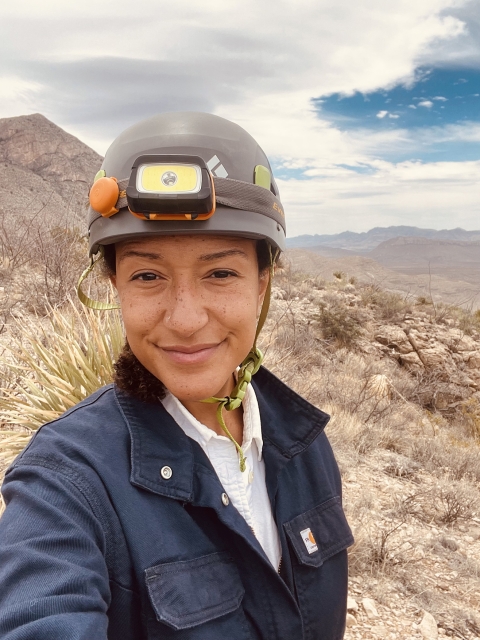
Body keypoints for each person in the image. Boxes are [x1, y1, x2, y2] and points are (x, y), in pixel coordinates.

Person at [0, 112, 353, 639]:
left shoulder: (302, 442)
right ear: (115, 285)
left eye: (220, 273)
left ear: (263, 283)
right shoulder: (68, 480)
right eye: (148, 275)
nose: (186, 320)